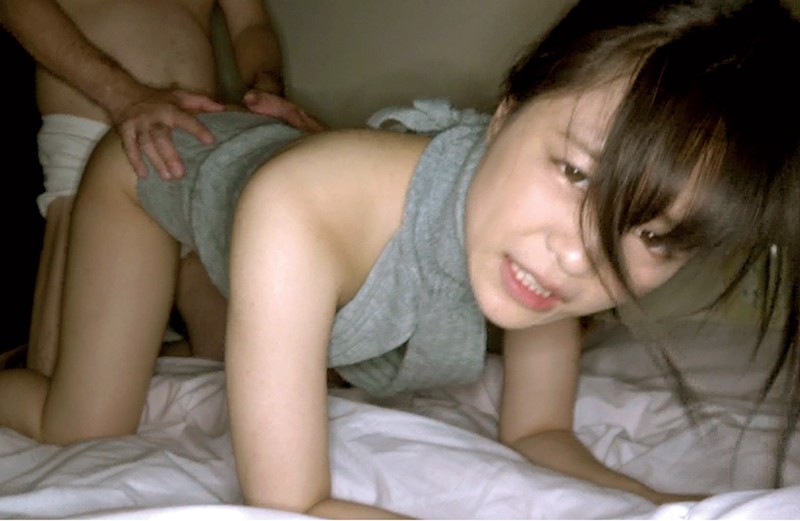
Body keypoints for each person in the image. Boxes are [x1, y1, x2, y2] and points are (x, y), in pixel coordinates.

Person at [1, 0, 799, 517]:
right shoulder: (302, 204)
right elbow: (291, 501)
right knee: (86, 424)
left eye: (655, 235)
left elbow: (540, 431)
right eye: (574, 172)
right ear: (505, 112)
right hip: (152, 170)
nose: (575, 255)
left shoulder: (550, 252)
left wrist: (671, 505)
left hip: (255, 200)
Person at [0, 0, 323, 374]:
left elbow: (250, 24)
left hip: (195, 142)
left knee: (243, 365)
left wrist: (266, 87)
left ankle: (149, 358)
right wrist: (125, 96)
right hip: (94, 125)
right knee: (61, 375)